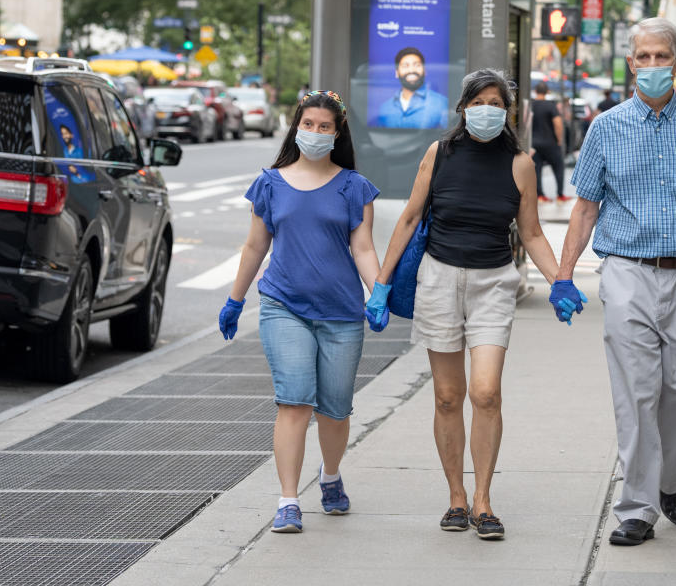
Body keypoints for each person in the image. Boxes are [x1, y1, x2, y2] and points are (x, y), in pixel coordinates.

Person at [553, 18, 676, 547]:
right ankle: (637, 507)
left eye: (664, 57)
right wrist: (564, 275)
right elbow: (586, 207)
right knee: (636, 393)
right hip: (628, 272)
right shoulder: (605, 128)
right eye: (645, 57)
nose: (654, 66)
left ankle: (669, 482)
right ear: (631, 64)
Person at [365, 69, 561, 540]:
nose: (487, 109)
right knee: (448, 396)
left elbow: (531, 232)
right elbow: (411, 216)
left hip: (494, 282)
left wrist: (561, 281)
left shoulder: (519, 163)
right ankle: (457, 496)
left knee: (486, 392)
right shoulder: (440, 153)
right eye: (479, 101)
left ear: (508, 111)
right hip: (439, 279)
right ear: (463, 107)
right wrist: (381, 283)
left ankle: (483, 501)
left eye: (496, 102)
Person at [217, 90, 381, 534]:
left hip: (342, 312)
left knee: (335, 410)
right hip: (283, 306)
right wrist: (235, 298)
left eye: (324, 126)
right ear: (296, 127)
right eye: (307, 124)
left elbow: (362, 247)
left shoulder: (353, 187)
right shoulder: (270, 183)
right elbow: (255, 245)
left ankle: (329, 477)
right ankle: (288, 500)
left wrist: (378, 291)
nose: (314, 132)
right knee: (294, 402)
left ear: (337, 132)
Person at [376, 47, 450, 129]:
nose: (411, 70)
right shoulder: (384, 108)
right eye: (405, 66)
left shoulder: (442, 104)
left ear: (425, 71)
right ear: (397, 73)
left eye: (417, 65)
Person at [531, 81, 568, 203]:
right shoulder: (550, 106)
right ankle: (560, 195)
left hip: (534, 143)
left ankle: (540, 195)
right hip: (550, 143)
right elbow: (557, 123)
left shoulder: (531, 105)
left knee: (536, 169)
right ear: (547, 92)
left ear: (536, 91)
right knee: (558, 167)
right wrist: (559, 140)